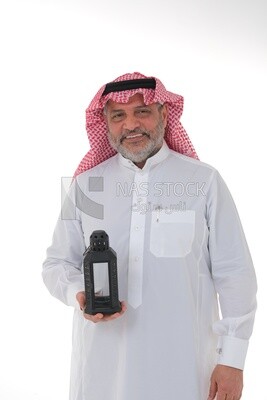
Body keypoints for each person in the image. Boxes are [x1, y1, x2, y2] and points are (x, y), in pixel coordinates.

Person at [42, 72, 257, 400]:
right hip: (103, 369)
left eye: (141, 111)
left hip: (186, 366)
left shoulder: (203, 181)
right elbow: (57, 263)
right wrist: (79, 293)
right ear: (106, 122)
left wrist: (233, 360)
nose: (131, 125)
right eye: (118, 116)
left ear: (164, 114)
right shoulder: (86, 186)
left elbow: (235, 275)